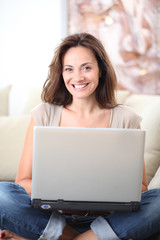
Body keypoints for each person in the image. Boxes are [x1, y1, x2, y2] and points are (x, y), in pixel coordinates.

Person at [0, 32, 160, 240]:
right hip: (51, 217)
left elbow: (139, 187)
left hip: (107, 218)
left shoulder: (126, 118)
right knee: (2, 193)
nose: (78, 77)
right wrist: (64, 195)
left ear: (100, 70)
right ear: (61, 73)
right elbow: (23, 181)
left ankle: (67, 238)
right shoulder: (45, 114)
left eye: (86, 67)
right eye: (69, 69)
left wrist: (100, 198)